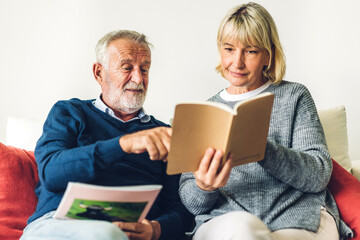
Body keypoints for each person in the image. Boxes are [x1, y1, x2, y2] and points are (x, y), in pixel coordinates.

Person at [178, 2, 353, 240]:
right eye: (229, 49)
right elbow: (192, 202)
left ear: (268, 55)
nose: (237, 62)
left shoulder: (295, 96)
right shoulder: (205, 111)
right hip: (227, 219)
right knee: (241, 230)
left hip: (295, 216)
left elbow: (318, 175)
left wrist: (262, 149)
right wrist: (204, 187)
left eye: (250, 51)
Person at [20, 30, 192, 240]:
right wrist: (123, 144)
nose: (138, 78)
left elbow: (181, 210)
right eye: (127, 68)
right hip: (58, 225)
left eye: (144, 69)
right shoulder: (69, 112)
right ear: (99, 73)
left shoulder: (163, 134)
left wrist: (156, 228)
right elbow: (51, 172)